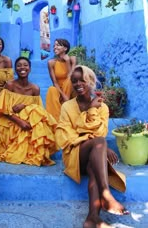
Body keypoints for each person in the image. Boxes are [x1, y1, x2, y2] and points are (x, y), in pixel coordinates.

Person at [55, 65, 129, 228]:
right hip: (73, 155)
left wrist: (93, 110)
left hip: (91, 157)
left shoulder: (102, 108)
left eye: (83, 80)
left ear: (91, 81)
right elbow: (64, 136)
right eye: (74, 81)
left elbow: (101, 131)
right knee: (100, 143)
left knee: (95, 164)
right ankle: (105, 193)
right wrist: (95, 141)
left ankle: (92, 218)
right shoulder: (67, 106)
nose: (78, 83)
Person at [0, 57, 58, 166]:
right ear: (15, 69)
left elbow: (38, 111)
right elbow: (2, 109)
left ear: (30, 69)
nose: (22, 67)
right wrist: (20, 121)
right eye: (19, 65)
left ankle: (35, 154)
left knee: (38, 120)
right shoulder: (10, 85)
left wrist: (24, 105)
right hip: (10, 121)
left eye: (25, 65)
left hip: (28, 121)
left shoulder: (35, 89)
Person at [46, 38, 76, 122]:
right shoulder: (51, 62)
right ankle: (55, 122)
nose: (55, 47)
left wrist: (67, 62)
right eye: (54, 45)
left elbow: (72, 78)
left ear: (65, 48)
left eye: (58, 45)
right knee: (51, 89)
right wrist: (63, 96)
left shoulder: (72, 59)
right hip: (59, 90)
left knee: (69, 80)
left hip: (71, 89)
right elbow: (54, 82)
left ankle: (66, 113)